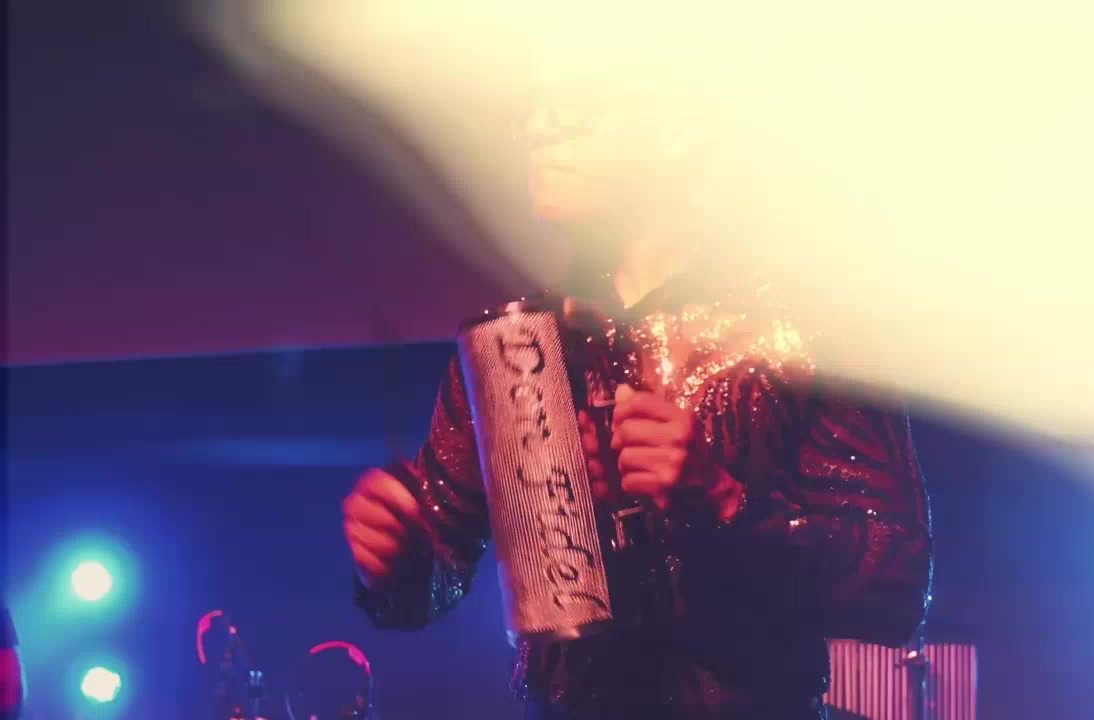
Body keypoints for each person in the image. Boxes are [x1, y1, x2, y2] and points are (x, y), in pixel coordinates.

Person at [342, 20, 932, 720]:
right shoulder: (517, 347)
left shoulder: (808, 326)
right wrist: (400, 561)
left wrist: (727, 507)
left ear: (680, 129)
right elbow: (435, 576)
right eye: (531, 108)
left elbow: (900, 582)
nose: (536, 130)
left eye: (573, 106)